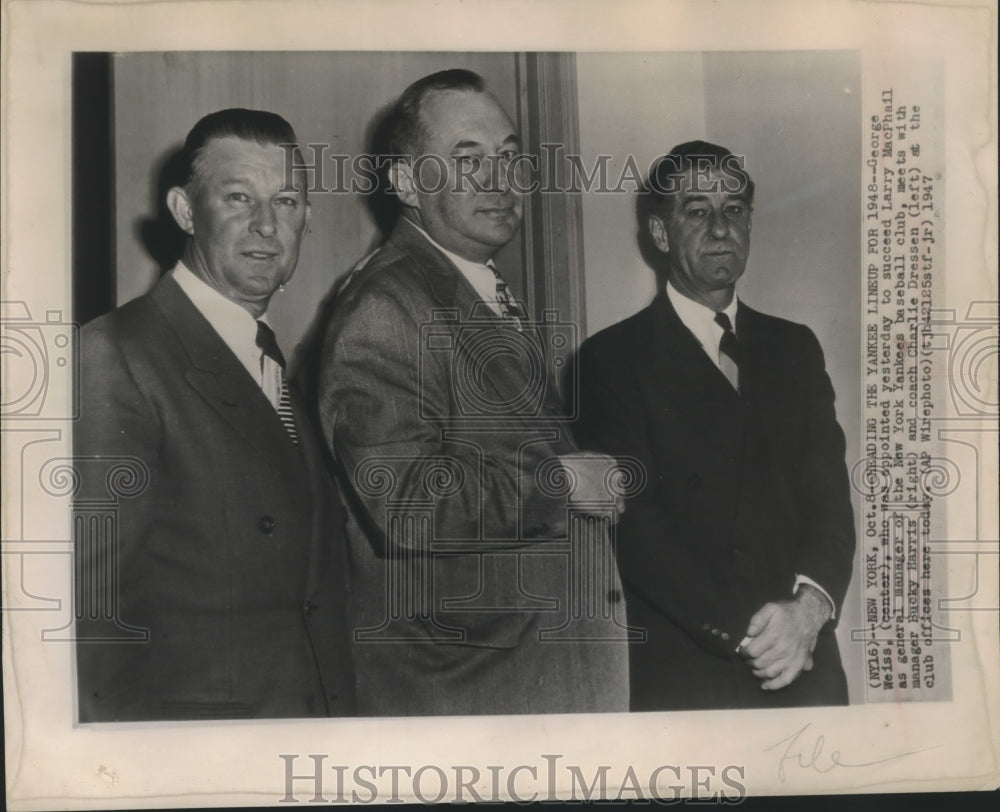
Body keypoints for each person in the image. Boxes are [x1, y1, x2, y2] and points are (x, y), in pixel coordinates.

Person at [318, 69, 630, 716]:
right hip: (470, 696)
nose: (499, 179)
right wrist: (561, 484)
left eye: (509, 156)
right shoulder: (387, 304)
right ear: (407, 183)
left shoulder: (472, 285)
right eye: (467, 160)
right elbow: (405, 500)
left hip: (524, 680)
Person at [74, 108, 355, 721]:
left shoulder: (270, 361)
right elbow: (93, 620)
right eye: (237, 198)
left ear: (307, 218)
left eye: (286, 201)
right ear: (184, 211)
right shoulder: (115, 354)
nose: (266, 225)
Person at [575, 140, 855, 711]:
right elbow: (636, 529)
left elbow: (829, 497)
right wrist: (754, 636)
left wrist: (811, 609)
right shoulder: (610, 359)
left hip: (806, 660)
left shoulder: (794, 347)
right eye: (698, 211)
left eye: (734, 210)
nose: (721, 228)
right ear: (660, 233)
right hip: (693, 673)